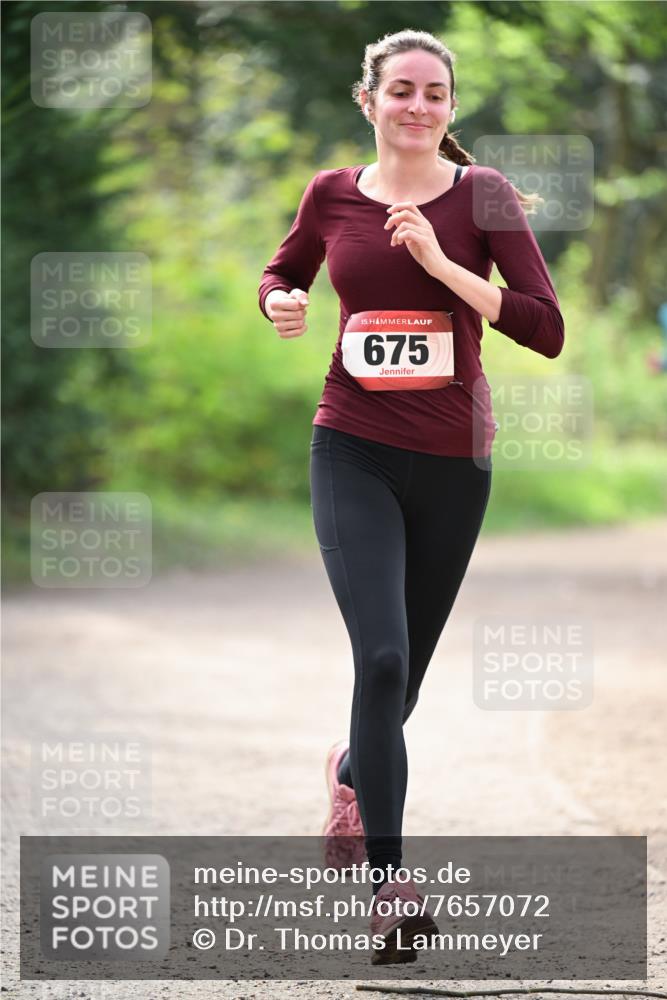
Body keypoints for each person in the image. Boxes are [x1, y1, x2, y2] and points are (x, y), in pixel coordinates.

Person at [258, 29, 564, 965]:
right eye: (401, 90)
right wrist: (277, 301)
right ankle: (389, 889)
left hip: (452, 462)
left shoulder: (484, 196)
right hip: (350, 447)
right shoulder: (330, 193)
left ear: (450, 107)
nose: (417, 106)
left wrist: (441, 266)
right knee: (382, 662)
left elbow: (545, 326)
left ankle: (352, 771)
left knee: (404, 683)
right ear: (369, 101)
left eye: (434, 93)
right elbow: (284, 270)